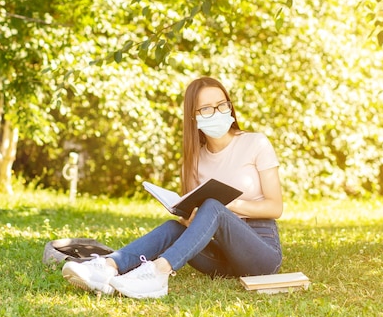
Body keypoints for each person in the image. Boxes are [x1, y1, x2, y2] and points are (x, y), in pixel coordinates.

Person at [61, 76, 283, 299]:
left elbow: (276, 208)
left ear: (230, 107)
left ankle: (159, 272)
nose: (217, 112)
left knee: (214, 206)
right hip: (223, 262)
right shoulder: (194, 160)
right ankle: (108, 267)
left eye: (222, 105)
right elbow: (192, 222)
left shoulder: (256, 143)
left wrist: (229, 206)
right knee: (173, 228)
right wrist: (190, 217)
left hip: (260, 254)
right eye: (206, 109)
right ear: (193, 117)